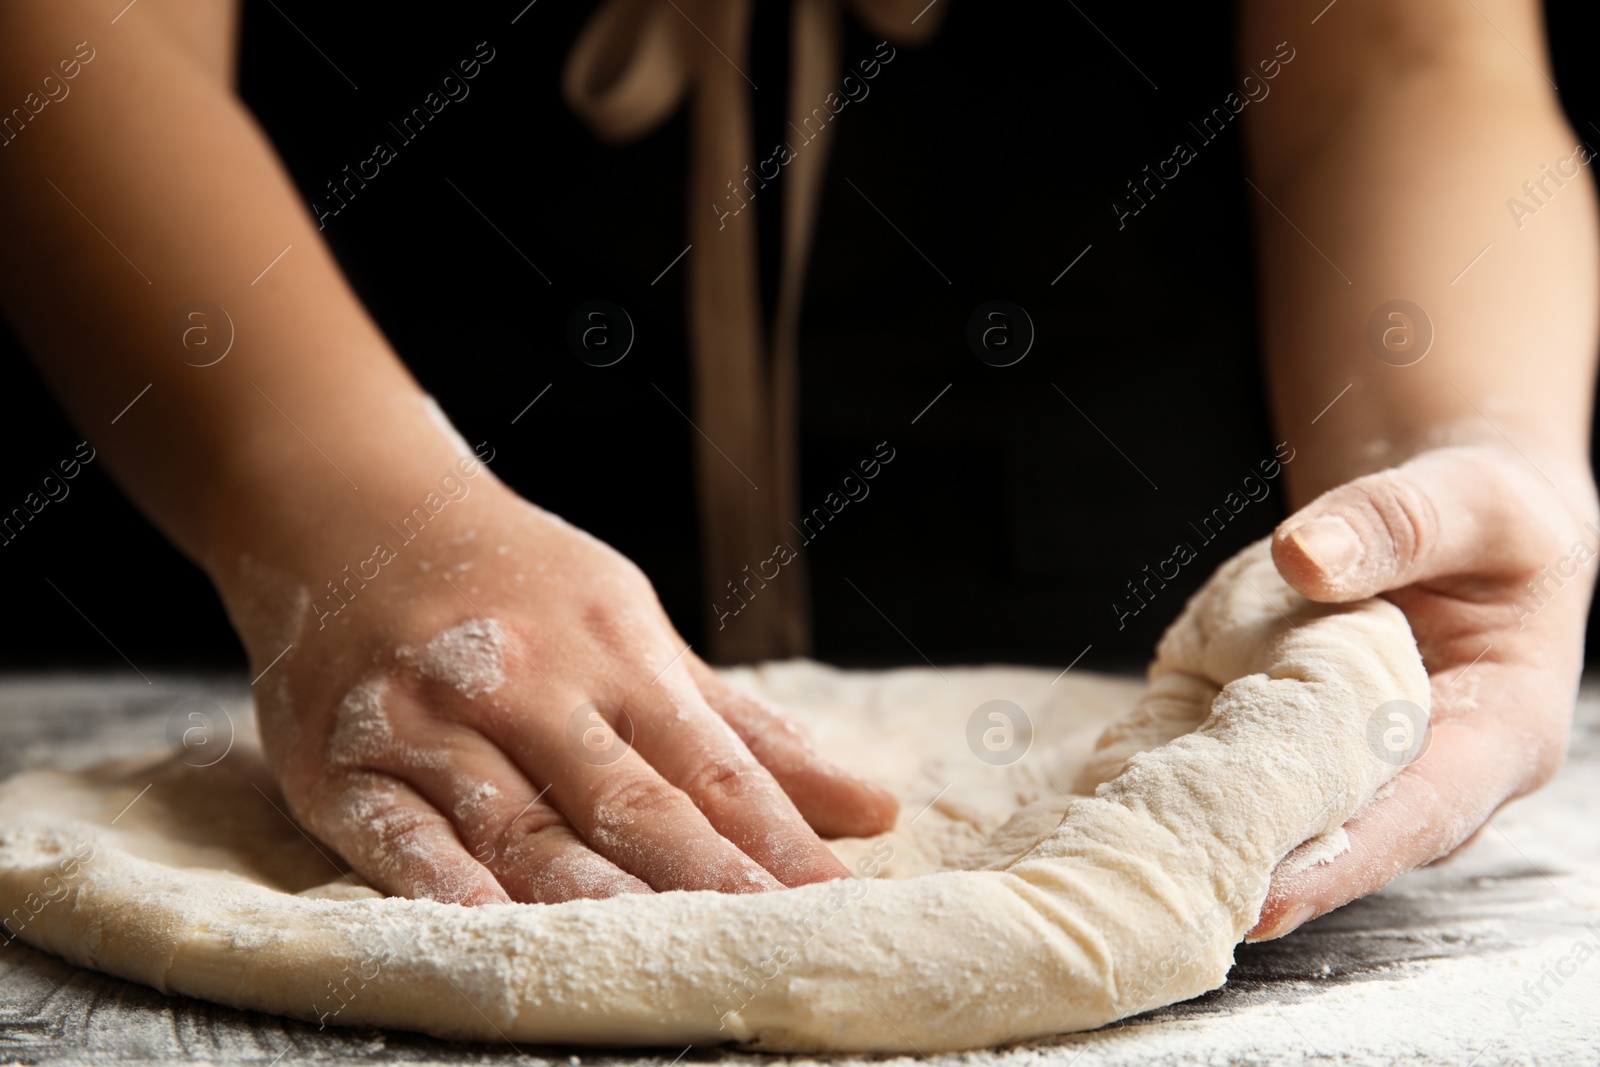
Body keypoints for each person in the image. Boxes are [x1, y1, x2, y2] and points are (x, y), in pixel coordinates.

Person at [0, 0, 1593, 949]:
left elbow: (1401, 54)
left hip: (1091, 570)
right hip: (265, 568)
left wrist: (1454, 446)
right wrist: (332, 505)